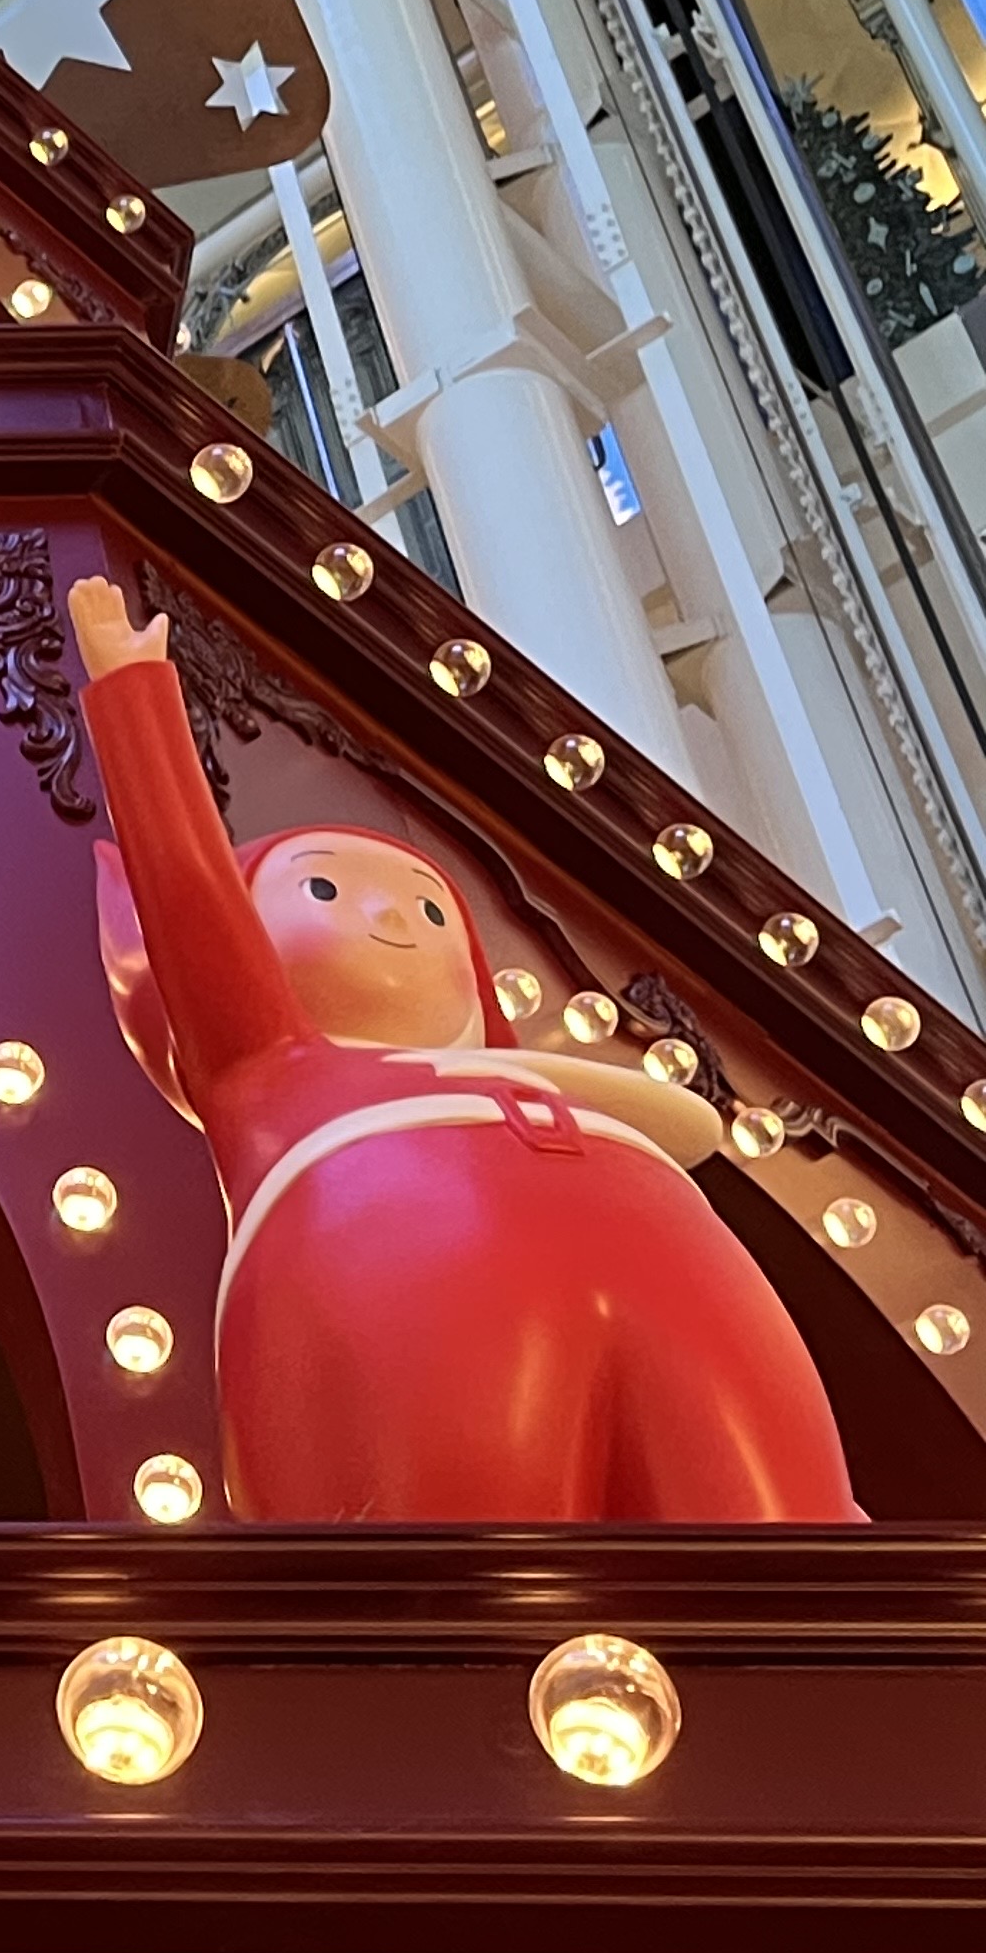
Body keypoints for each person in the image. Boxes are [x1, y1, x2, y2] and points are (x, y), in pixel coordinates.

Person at [70, 574, 856, 1520]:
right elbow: (187, 891)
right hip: (412, 1275)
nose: (394, 913)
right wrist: (134, 694)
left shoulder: (534, 1077)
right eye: (324, 890)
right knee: (456, 1555)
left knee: (788, 1551)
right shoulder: (266, 1067)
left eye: (433, 907)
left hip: (683, 1264)